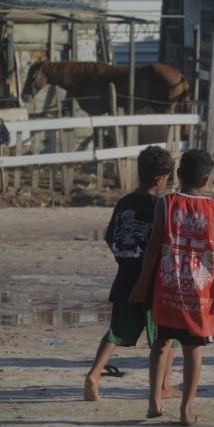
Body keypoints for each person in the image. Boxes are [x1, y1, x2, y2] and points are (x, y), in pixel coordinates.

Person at [130, 149, 214, 426]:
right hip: (199, 293)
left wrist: (142, 283)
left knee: (161, 342)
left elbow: (153, 248)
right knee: (192, 349)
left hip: (168, 286)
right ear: (207, 178)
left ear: (178, 174)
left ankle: (154, 400)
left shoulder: (166, 203)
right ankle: (187, 410)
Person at [84, 146, 179, 402]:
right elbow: (160, 244)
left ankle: (93, 375)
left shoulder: (124, 202)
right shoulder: (159, 206)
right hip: (152, 284)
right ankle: (164, 386)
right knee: (167, 337)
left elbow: (109, 236)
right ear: (161, 179)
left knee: (115, 333)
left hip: (125, 279)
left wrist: (125, 260)